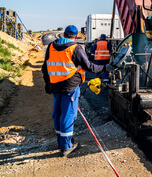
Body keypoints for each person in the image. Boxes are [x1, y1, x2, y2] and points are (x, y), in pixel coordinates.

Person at [42, 25, 114, 157]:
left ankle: (61, 141)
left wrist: (47, 83)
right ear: (75, 36)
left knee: (57, 114)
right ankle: (66, 146)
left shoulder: (52, 46)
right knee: (68, 115)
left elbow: (45, 67)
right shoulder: (75, 48)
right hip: (70, 86)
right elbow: (90, 67)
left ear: (63, 34)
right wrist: (106, 68)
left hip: (55, 86)